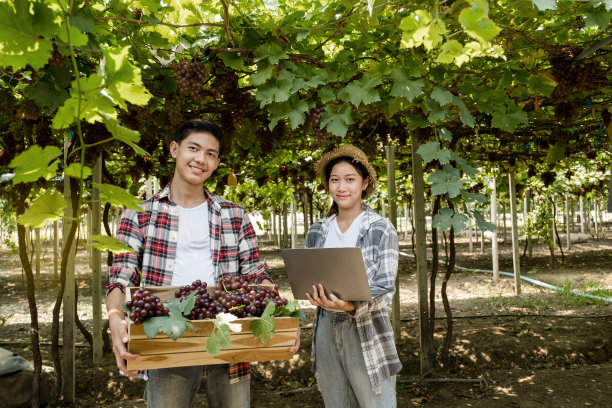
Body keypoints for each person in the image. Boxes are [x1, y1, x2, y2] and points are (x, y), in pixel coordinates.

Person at [106, 119, 290, 408]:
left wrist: (282, 316)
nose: (201, 159)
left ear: (217, 163)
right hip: (169, 337)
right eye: (194, 148)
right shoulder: (140, 213)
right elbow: (121, 276)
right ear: (175, 149)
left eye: (211, 154)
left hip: (230, 335)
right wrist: (115, 316)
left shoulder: (234, 214)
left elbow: (255, 275)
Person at [304, 144, 402, 408]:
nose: (341, 187)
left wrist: (349, 306)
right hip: (325, 325)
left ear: (364, 182)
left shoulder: (381, 228)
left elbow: (385, 288)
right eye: (335, 180)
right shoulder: (317, 231)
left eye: (350, 179)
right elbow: (307, 275)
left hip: (366, 328)